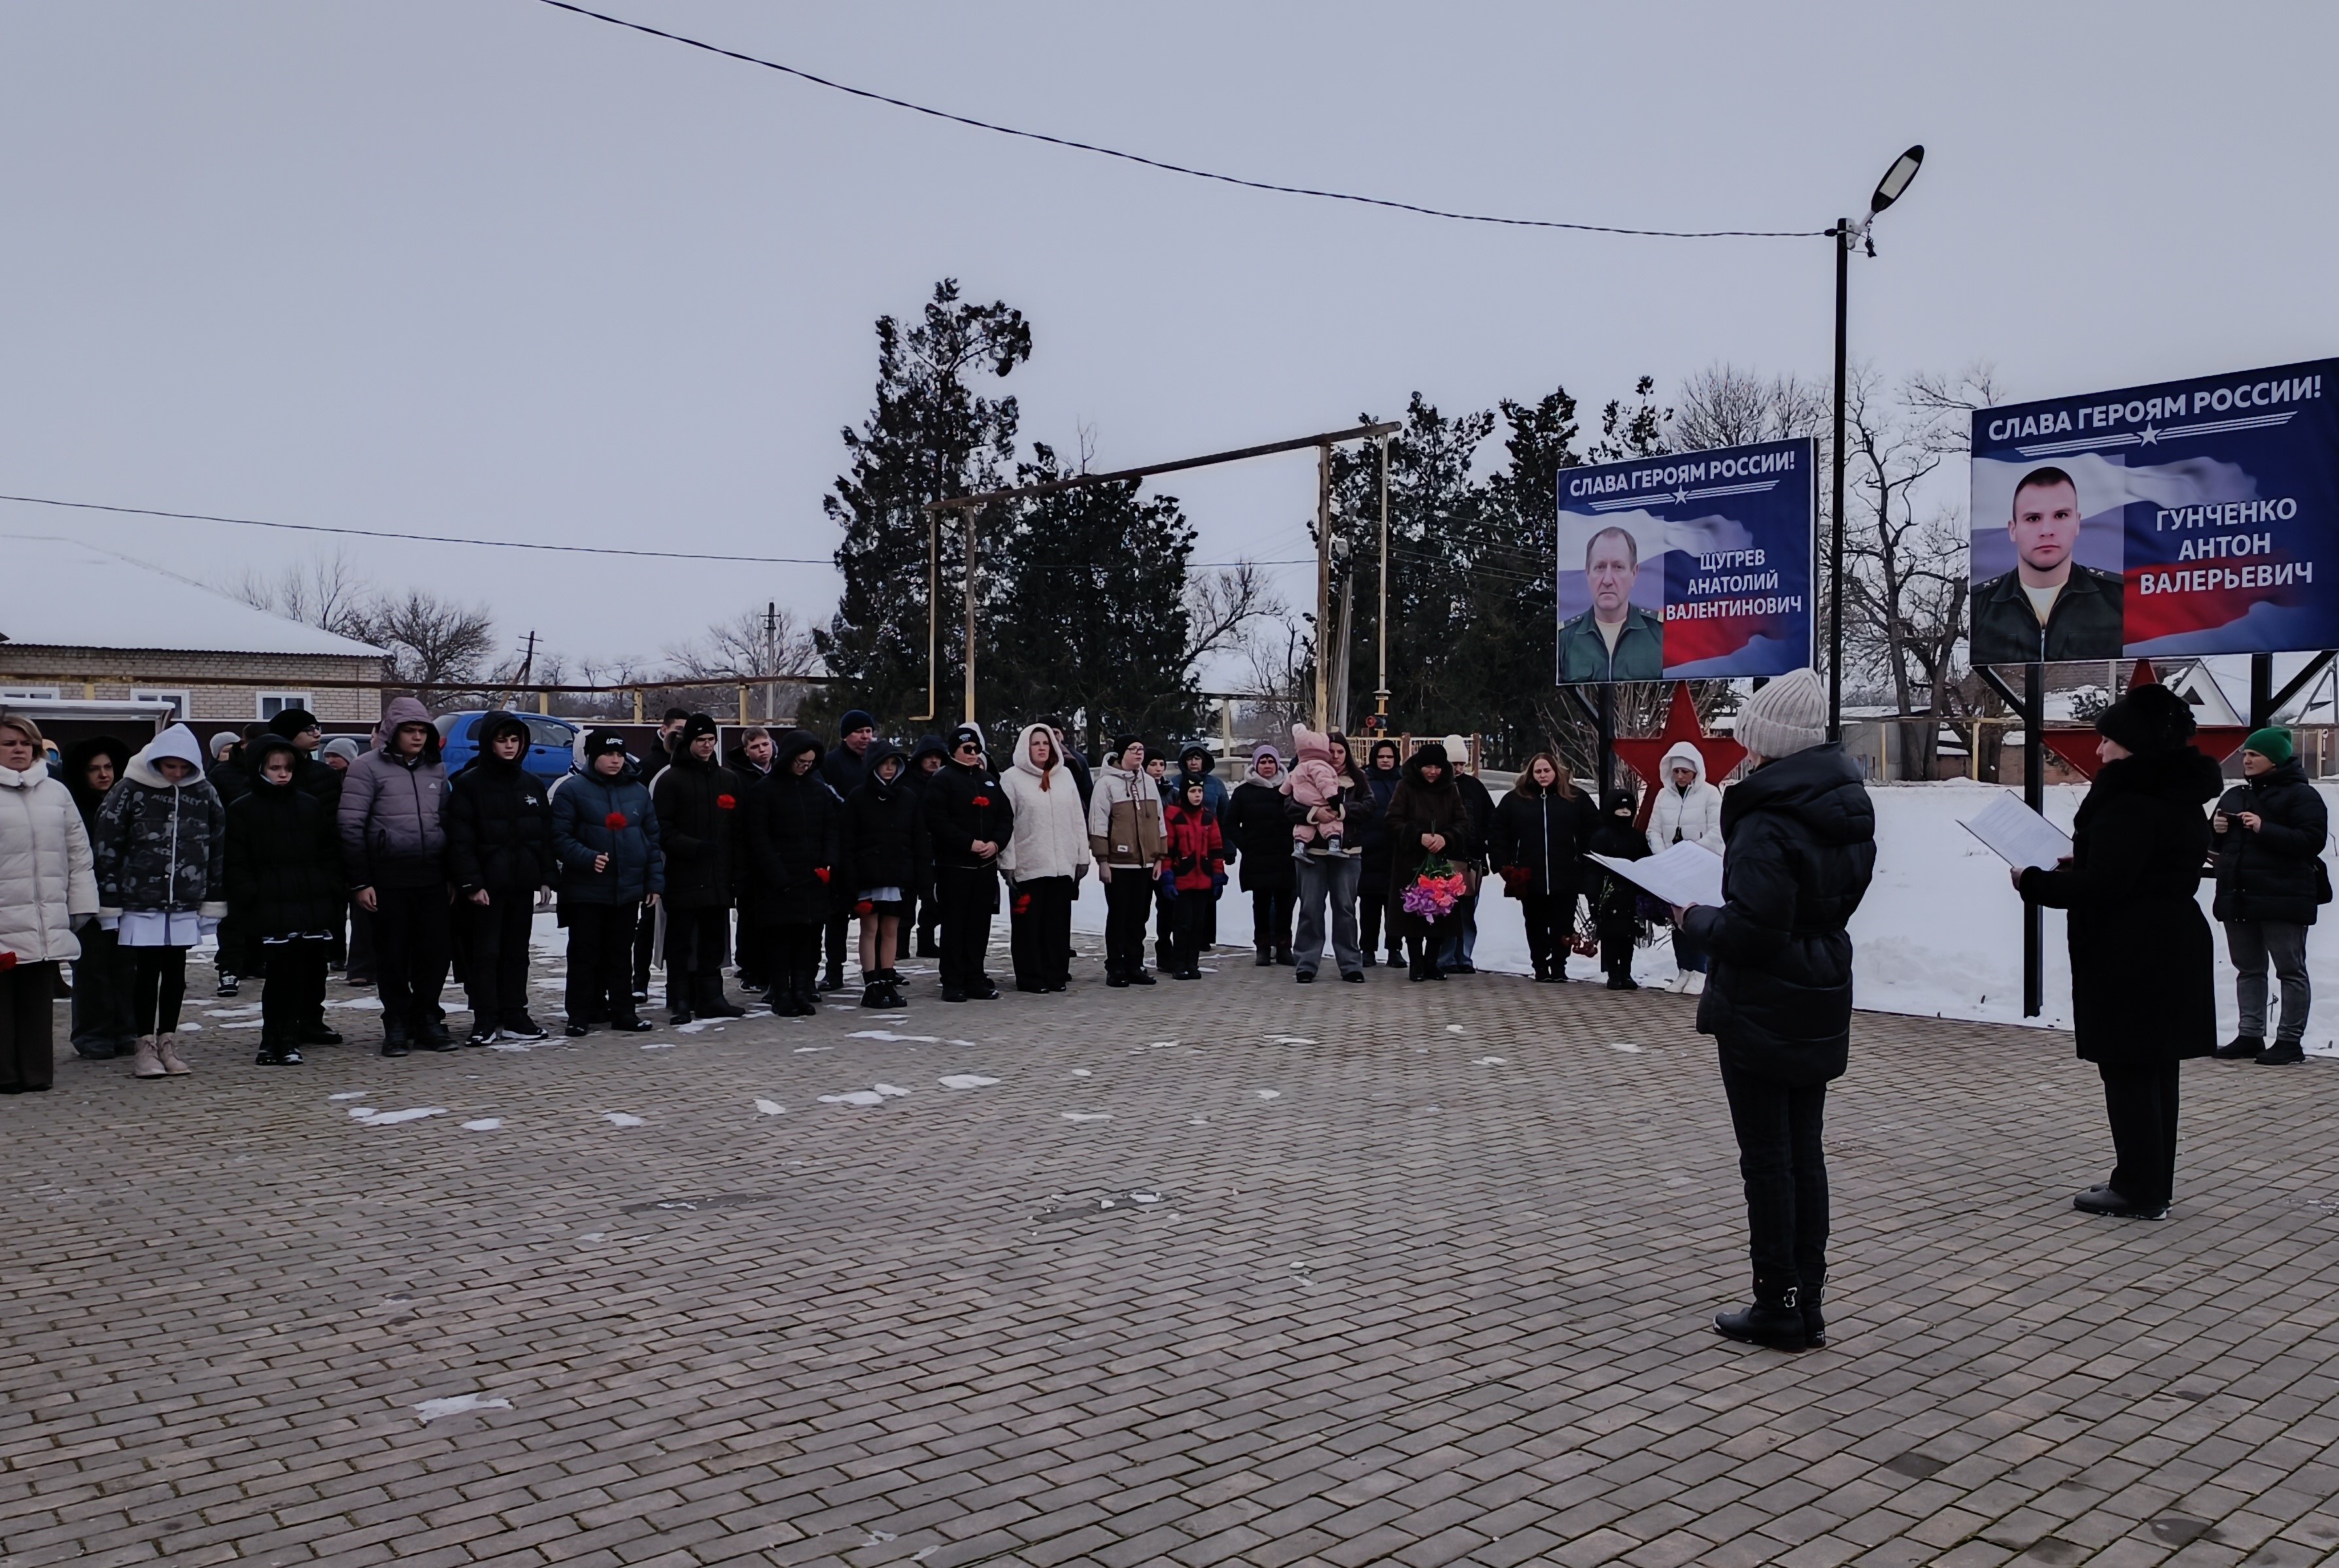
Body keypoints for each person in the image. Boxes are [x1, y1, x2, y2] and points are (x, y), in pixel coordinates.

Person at [1674, 666, 1875, 1352]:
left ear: (1770, 740)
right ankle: (1805, 1301)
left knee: (1768, 1159)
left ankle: (1778, 1303)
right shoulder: (1843, 805)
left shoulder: (1767, 817)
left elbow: (1754, 931)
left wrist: (1693, 918)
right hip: (1819, 983)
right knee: (1802, 1152)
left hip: (1763, 997)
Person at [2015, 679, 2217, 1223]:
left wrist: (2032, 881)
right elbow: (2139, 868)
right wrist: (2081, 864)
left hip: (2131, 950)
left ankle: (2138, 1189)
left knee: (2129, 1070)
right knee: (2156, 1070)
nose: (2099, 749)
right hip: (2167, 940)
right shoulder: (2174, 794)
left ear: (2132, 745)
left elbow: (2107, 886)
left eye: (2107, 740)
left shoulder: (2129, 800)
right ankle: (2149, 1180)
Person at [93, 722, 226, 1080]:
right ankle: (143, 1043)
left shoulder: (204, 792)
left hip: (185, 898)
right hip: (140, 898)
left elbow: (217, 846)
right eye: (171, 766)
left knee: (176, 971)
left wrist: (213, 894)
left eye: (184, 767)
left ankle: (168, 1040)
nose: (177, 774)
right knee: (146, 970)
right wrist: (108, 896)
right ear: (156, 761)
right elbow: (107, 843)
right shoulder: (129, 790)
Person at [337, 696, 454, 1057]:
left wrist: (452, 874)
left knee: (435, 953)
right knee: (392, 955)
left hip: (431, 875)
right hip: (387, 875)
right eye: (410, 731)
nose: (417, 737)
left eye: (423, 731)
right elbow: (350, 825)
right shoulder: (366, 767)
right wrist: (360, 881)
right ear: (393, 732)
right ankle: (397, 1023)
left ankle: (428, 1018)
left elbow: (446, 821)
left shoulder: (436, 769)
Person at [2211, 727, 2329, 1066]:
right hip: (2239, 895)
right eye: (2245, 754)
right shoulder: (2234, 796)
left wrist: (2265, 828)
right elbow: (2214, 847)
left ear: (2275, 759)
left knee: (2290, 970)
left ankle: (2290, 1040)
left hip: (2284, 897)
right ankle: (2250, 1035)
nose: (2246, 760)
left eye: (2255, 755)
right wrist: (2215, 832)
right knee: (2248, 969)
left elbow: (2312, 841)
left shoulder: (2303, 796)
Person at [224, 734, 342, 1066]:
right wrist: (250, 894)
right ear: (260, 768)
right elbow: (235, 860)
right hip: (269, 901)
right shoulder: (244, 808)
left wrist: (328, 886)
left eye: (288, 768)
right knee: (277, 974)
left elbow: (328, 850)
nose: (283, 774)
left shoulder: (308, 805)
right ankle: (271, 1038)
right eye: (275, 768)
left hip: (307, 898)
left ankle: (290, 1036)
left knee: (303, 971)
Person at [0, 712, 99, 1092]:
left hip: (45, 917)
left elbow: (78, 853)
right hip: (5, 916)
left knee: (37, 1000)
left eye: (26, 743)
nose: (19, 750)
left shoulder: (56, 792)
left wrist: (81, 905)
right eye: (9, 743)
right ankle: (6, 1075)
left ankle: (38, 1073)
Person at [445, 712, 556, 1046]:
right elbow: (460, 839)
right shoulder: (469, 784)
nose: (509, 746)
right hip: (486, 888)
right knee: (485, 953)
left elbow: (543, 835)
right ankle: (485, 1017)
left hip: (521, 884)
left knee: (517, 952)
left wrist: (546, 876)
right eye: (501, 740)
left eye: (515, 740)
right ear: (488, 743)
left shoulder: (532, 784)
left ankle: (515, 1014)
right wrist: (471, 883)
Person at [549, 728, 661, 1036]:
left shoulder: (637, 791)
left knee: (621, 955)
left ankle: (624, 1012)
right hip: (586, 889)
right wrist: (587, 857)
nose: (615, 760)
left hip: (627, 889)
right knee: (584, 954)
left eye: (619, 754)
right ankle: (579, 1014)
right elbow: (559, 837)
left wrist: (653, 882)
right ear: (592, 756)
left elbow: (652, 839)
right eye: (608, 754)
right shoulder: (572, 790)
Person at [1970, 466, 2125, 666]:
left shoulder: (2120, 598)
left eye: (2061, 515)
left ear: (2077, 523)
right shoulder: (1978, 606)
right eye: (2033, 518)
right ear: (2013, 530)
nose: (2047, 530)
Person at [649, 713, 746, 1025]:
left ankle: (711, 997)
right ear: (688, 742)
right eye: (700, 740)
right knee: (680, 939)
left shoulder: (727, 779)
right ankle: (679, 998)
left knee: (713, 938)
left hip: (718, 875)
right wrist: (693, 847)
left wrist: (735, 870)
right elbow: (662, 829)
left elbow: (737, 829)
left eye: (711, 740)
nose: (706, 746)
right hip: (683, 874)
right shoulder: (670, 780)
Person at [745, 730, 842, 1017]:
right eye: (801, 762)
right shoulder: (765, 790)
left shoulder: (818, 790)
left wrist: (829, 862)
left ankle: (801, 991)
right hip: (779, 881)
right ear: (788, 758)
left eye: (810, 763)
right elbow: (758, 837)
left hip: (812, 878)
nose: (805, 767)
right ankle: (781, 993)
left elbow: (831, 829)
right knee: (779, 941)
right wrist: (776, 874)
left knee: (807, 939)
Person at [998, 723, 1090, 994]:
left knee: (1057, 924)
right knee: (1029, 925)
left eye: (1046, 743)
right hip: (1028, 866)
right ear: (1025, 747)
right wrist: (1008, 863)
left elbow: (1077, 818)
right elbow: (1006, 823)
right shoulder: (1011, 779)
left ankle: (1056, 974)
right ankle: (1031, 977)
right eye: (1035, 743)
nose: (1041, 748)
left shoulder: (1065, 776)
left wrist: (1081, 856)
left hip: (1062, 865)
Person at [1493, 751, 1599, 983]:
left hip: (1566, 874)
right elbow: (1498, 833)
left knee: (1563, 924)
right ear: (1530, 774)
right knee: (1535, 924)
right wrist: (1504, 865)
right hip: (1529, 875)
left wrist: (1585, 861)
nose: (1542, 775)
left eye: (1547, 770)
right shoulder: (1515, 800)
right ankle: (1540, 966)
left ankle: (1559, 966)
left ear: (1556, 771)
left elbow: (1593, 830)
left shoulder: (1575, 798)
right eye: (1538, 771)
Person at [61, 736, 136, 1059]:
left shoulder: (128, 804)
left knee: (125, 967)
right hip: (86, 899)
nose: (104, 774)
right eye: (95, 769)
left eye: (108, 767)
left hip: (125, 899)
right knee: (91, 969)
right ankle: (93, 1034)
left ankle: (125, 1030)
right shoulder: (72, 808)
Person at [926, 724, 1014, 1002]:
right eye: (968, 749)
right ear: (954, 751)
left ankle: (975, 976)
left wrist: (996, 843)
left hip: (985, 867)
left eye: (977, 749)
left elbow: (1005, 816)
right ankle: (953, 980)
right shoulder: (942, 780)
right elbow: (937, 820)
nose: (974, 753)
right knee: (954, 924)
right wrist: (967, 843)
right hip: (955, 867)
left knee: (979, 924)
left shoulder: (989, 780)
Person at [1384, 740, 1476, 981]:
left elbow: (1462, 823)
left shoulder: (1451, 789)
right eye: (1428, 767)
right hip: (1411, 862)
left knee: (1440, 912)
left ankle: (1432, 962)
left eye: (1438, 767)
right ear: (1419, 767)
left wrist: (1447, 838)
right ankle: (1416, 963)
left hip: (1441, 862)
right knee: (1414, 912)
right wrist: (1418, 836)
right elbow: (1392, 820)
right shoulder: (1405, 786)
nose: (1433, 772)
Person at [841, 741, 923, 1009]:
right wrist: (851, 878)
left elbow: (918, 838)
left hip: (898, 874)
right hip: (868, 875)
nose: (889, 769)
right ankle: (871, 985)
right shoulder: (858, 797)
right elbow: (848, 841)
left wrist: (918, 874)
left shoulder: (908, 797)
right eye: (884, 764)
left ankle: (887, 981)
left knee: (891, 929)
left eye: (894, 764)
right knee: (870, 929)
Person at [1287, 729, 1369, 983]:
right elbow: (1288, 805)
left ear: (1347, 754)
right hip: (1312, 853)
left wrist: (1341, 812)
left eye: (1340, 751)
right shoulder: (1303, 772)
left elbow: (1369, 806)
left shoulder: (1357, 778)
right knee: (1310, 908)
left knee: (1345, 908)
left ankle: (1350, 964)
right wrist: (1313, 814)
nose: (1335, 756)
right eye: (1330, 751)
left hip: (1347, 853)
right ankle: (1306, 963)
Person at [1647, 740, 1726, 994]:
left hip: (1701, 867)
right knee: (1678, 921)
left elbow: (1717, 832)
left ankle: (1700, 971)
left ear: (1695, 772)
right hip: (1673, 870)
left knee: (1699, 918)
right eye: (1676, 771)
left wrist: (1692, 854)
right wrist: (1665, 858)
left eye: (1685, 772)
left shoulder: (1711, 794)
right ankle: (1684, 970)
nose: (1680, 777)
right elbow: (1654, 831)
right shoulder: (1663, 796)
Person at [1087, 735, 1167, 988]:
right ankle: (1115, 967)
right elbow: (1098, 823)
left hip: (1145, 864)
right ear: (1121, 754)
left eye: (1141, 749)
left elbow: (1159, 821)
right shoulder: (1106, 784)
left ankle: (1134, 965)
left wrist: (1159, 856)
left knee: (1139, 917)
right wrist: (1102, 860)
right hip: (1119, 864)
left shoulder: (1149, 783)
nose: (1139, 753)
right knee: (1119, 916)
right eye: (1133, 749)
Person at [632, 707, 691, 1002]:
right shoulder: (649, 766)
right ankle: (640, 980)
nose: (681, 734)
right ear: (664, 729)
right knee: (649, 919)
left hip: (684, 855)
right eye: (677, 729)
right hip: (656, 853)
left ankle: (679, 984)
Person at [1556, 526, 1664, 682]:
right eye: (1600, 567)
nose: (1607, 580)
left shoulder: (1660, 633)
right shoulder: (1565, 638)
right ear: (1587, 573)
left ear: (1634, 573)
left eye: (1618, 567)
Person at [819, 709, 879, 991]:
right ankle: (834, 969)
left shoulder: (878, 759)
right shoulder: (831, 763)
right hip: (843, 847)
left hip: (873, 847)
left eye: (869, 731)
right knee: (837, 914)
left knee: (878, 911)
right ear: (846, 735)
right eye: (859, 732)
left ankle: (881, 968)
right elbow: (829, 799)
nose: (866, 737)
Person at [1227, 744, 1297, 966]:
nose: (1267, 766)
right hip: (1257, 858)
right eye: (1263, 762)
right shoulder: (1243, 792)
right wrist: (1246, 844)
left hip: (1285, 856)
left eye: (1271, 761)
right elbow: (1229, 823)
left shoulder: (1290, 789)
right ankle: (1263, 948)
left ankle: (1284, 947)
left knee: (1285, 905)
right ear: (1255, 765)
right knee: (1261, 904)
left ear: (1278, 764)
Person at [1437, 734, 1496, 974]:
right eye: (1454, 764)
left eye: (1462, 764)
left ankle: (1464, 956)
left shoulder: (1475, 787)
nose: (1459, 768)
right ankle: (1445, 957)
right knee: (1445, 911)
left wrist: (1486, 850)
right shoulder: (1437, 787)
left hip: (1472, 859)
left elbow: (1490, 819)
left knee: (1467, 911)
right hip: (1444, 858)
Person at [727, 726, 779, 994]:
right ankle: (749, 968)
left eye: (765, 744)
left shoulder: (780, 772)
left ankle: (771, 968)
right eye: (756, 747)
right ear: (746, 751)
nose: (762, 750)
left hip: (777, 853)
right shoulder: (738, 777)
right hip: (748, 856)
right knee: (749, 916)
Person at [1162, 775, 1228, 980]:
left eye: (1200, 791)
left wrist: (1218, 877)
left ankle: (1192, 964)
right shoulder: (1173, 815)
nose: (1197, 795)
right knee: (1183, 924)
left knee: (1199, 924)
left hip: (1203, 880)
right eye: (1192, 791)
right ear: (1184, 793)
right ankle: (1178, 964)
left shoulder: (1208, 817)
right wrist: (1167, 876)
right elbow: (1167, 850)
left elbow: (1216, 850)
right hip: (1182, 879)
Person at [1587, 785, 1652, 989]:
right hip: (1608, 896)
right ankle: (1613, 973)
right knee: (1610, 936)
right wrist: (1593, 896)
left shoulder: (1637, 838)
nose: (1624, 813)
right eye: (1619, 809)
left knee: (1628, 937)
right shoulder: (1601, 837)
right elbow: (1593, 869)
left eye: (1628, 809)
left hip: (1631, 896)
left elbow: (1646, 863)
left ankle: (1626, 972)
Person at [1356, 738, 1405, 968]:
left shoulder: (1403, 782)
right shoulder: (1364, 781)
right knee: (1369, 907)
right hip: (1369, 853)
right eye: (1381, 756)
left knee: (1396, 907)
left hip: (1396, 854)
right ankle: (1367, 950)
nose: (1385, 761)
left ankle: (1395, 950)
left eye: (1390, 757)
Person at [904, 734, 949, 959]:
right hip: (910, 848)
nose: (934, 761)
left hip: (938, 847)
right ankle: (900, 945)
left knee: (933, 899)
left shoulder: (946, 781)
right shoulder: (907, 782)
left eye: (938, 757)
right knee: (906, 899)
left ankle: (926, 941)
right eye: (929, 756)